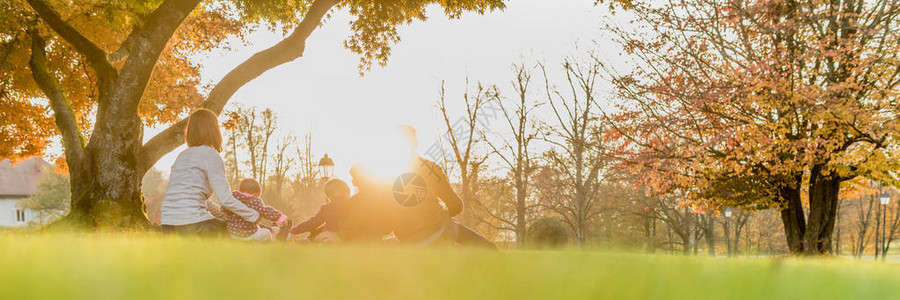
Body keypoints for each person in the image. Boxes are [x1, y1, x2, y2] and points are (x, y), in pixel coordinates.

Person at [160, 109, 260, 236]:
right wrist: (253, 215)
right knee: (243, 232)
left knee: (229, 225)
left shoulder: (182, 156)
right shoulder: (210, 155)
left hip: (168, 226)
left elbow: (201, 201)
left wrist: (225, 216)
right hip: (194, 224)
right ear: (214, 130)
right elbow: (226, 199)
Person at [226, 178, 292, 242]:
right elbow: (266, 211)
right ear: (255, 193)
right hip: (248, 236)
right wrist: (279, 216)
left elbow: (224, 208)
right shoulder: (255, 201)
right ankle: (274, 240)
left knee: (257, 227)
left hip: (233, 235)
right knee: (266, 233)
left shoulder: (233, 199)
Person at [290, 178, 350, 243]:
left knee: (320, 235)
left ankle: (308, 241)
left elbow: (312, 223)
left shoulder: (327, 208)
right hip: (345, 235)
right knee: (322, 234)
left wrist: (294, 230)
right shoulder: (351, 205)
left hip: (328, 234)